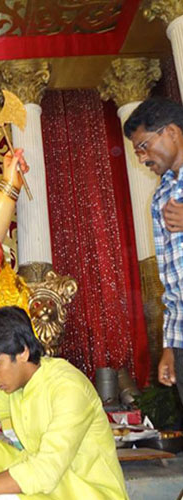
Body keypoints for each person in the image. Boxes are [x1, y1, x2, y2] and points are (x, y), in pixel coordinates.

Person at [0, 306, 128, 500]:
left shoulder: (68, 388)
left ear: (23, 352)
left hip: (87, 494)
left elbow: (45, 471)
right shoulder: (16, 385)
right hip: (47, 488)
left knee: (3, 497)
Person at [124, 97, 183, 402]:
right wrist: (171, 348)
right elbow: (173, 286)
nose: (142, 159)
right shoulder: (160, 197)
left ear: (171, 132)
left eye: (144, 147)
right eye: (137, 152)